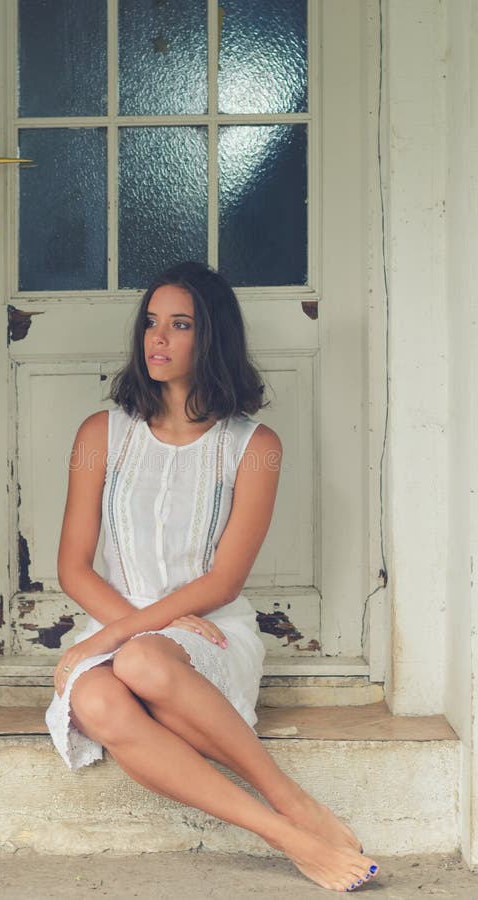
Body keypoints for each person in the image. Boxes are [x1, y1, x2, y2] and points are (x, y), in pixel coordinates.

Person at [45, 261, 379, 893]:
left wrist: (131, 637)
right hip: (120, 619)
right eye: (150, 323)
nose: (157, 339)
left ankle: (291, 797)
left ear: (213, 338)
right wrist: (117, 632)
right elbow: (71, 566)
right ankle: (284, 831)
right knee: (96, 694)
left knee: (141, 662)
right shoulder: (100, 435)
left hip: (211, 629)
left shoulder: (254, 446)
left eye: (179, 325)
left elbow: (224, 581)